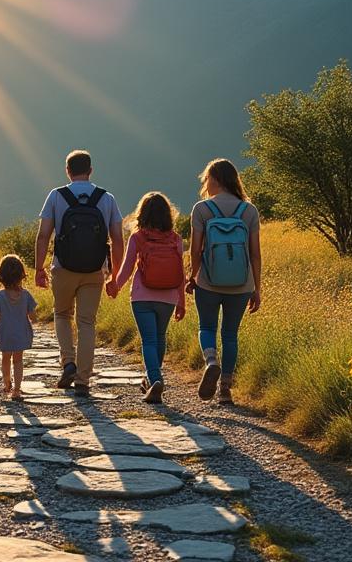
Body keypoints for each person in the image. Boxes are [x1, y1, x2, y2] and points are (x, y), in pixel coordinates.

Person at [34, 150, 124, 396]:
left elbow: (43, 236)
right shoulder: (106, 198)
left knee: (62, 314)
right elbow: (117, 239)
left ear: (67, 171)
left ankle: (68, 363)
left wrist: (39, 267)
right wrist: (114, 274)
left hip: (63, 267)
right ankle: (83, 380)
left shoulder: (56, 196)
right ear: (91, 170)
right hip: (95, 270)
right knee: (87, 322)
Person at [186, 158, 262, 405]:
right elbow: (255, 253)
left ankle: (211, 361)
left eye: (206, 178)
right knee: (230, 334)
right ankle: (225, 390)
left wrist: (191, 276)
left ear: (215, 179)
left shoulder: (202, 209)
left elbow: (195, 250)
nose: (205, 183)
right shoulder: (249, 211)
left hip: (208, 281)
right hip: (241, 284)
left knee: (207, 328)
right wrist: (256, 288)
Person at [107, 192, 187, 404]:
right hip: (168, 297)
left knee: (148, 340)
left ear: (142, 213)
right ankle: (153, 377)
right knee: (159, 338)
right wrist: (182, 302)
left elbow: (127, 267)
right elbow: (180, 273)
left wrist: (115, 286)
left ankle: (155, 378)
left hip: (142, 296)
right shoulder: (176, 240)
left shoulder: (138, 237)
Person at [0, 254, 37, 400]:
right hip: (21, 332)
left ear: (0, 276)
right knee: (18, 360)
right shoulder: (26, 295)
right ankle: (17, 389)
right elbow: (33, 317)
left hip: (5, 333)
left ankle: (7, 382)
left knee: (5, 358)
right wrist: (34, 317)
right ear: (22, 275)